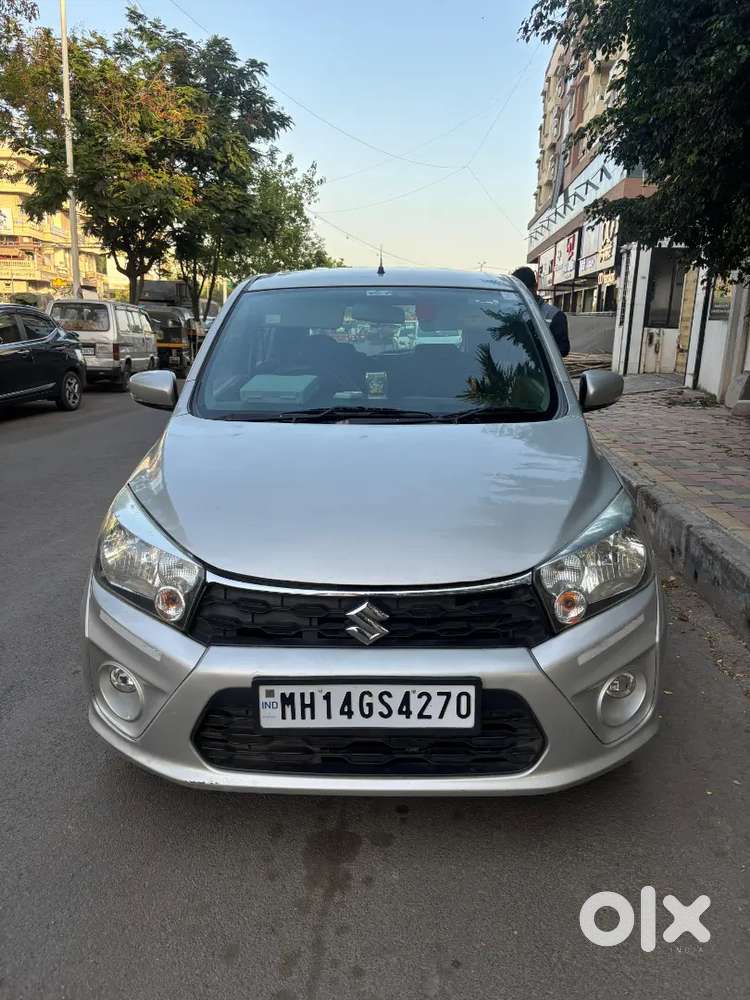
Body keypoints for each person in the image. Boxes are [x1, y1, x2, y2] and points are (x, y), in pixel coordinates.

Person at [512, 266, 570, 357]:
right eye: (517, 292)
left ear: (535, 287)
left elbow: (563, 349)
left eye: (524, 290)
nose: (520, 295)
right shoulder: (511, 312)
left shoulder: (555, 316)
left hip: (541, 369)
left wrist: (536, 347)